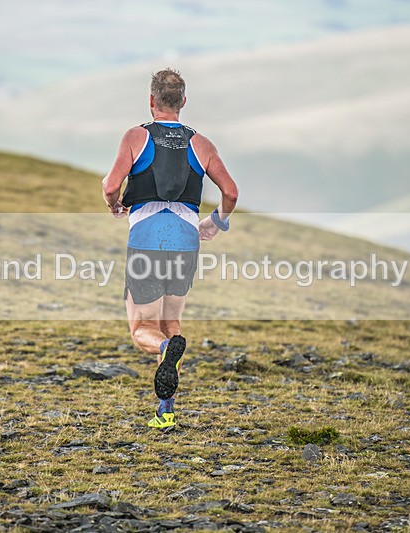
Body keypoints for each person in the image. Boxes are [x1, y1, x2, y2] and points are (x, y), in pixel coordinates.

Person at [102, 68, 239, 430]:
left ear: (151, 101)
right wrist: (216, 222)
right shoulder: (202, 143)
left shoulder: (136, 136)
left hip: (146, 236)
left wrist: (114, 203)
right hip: (185, 239)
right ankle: (166, 410)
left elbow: (111, 184)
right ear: (183, 102)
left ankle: (163, 350)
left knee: (142, 328)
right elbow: (231, 193)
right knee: (172, 322)